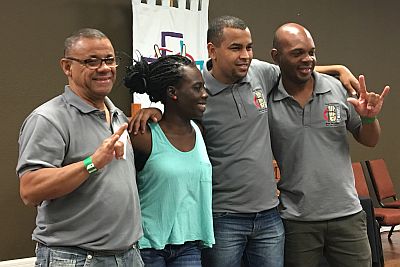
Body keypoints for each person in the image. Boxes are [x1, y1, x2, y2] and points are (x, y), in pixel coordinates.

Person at [131, 16, 360, 267]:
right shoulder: (198, 89)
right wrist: (153, 112)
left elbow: (297, 67)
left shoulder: (260, 73)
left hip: (269, 216)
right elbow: (174, 116)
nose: (245, 55)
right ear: (212, 50)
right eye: (235, 48)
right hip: (223, 217)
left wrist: (338, 69)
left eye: (249, 47)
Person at [16, 28, 143, 267]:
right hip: (76, 258)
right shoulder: (48, 119)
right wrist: (91, 164)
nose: (104, 68)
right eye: (91, 61)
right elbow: (30, 189)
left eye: (109, 60)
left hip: (128, 255)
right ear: (67, 67)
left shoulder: (118, 117)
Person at [268, 23, 390, 267]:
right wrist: (339, 67)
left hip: (347, 216)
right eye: (297, 53)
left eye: (311, 52)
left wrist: (369, 117)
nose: (307, 59)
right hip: (296, 220)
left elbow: (370, 140)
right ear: (276, 57)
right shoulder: (268, 95)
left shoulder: (338, 89)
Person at [123, 54, 214, 267]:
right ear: (172, 93)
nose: (204, 94)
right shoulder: (143, 136)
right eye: (197, 88)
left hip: (189, 245)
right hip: (148, 247)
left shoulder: (199, 131)